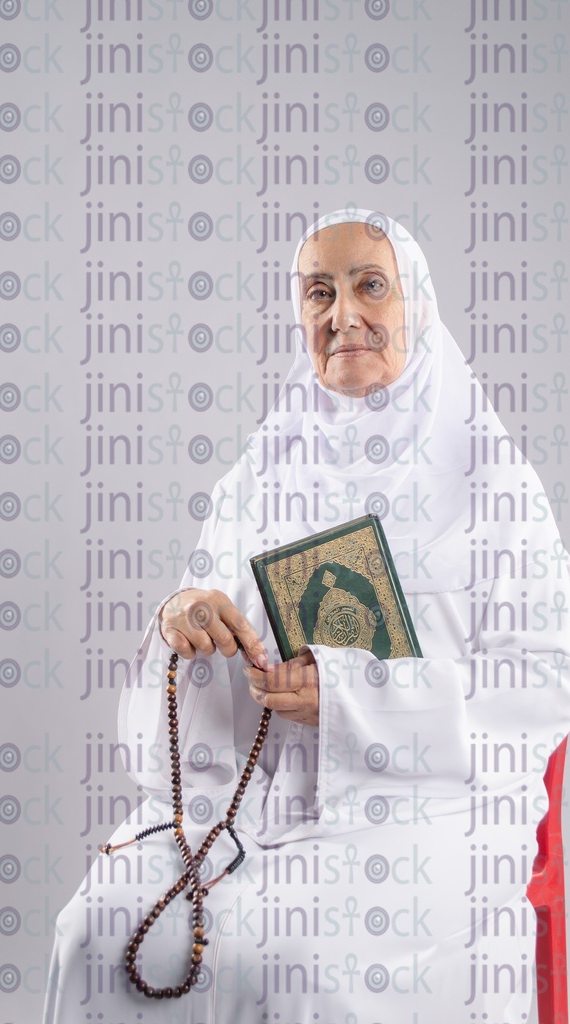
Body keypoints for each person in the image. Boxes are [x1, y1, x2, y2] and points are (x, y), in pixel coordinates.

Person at [44, 209, 570, 1023]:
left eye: (370, 287)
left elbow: (540, 683)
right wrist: (183, 621)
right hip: (257, 789)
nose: (342, 315)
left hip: (425, 800)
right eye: (318, 292)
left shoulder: (493, 485)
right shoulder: (264, 468)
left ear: (416, 306)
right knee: (95, 930)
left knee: (297, 964)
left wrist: (355, 697)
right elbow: (203, 639)